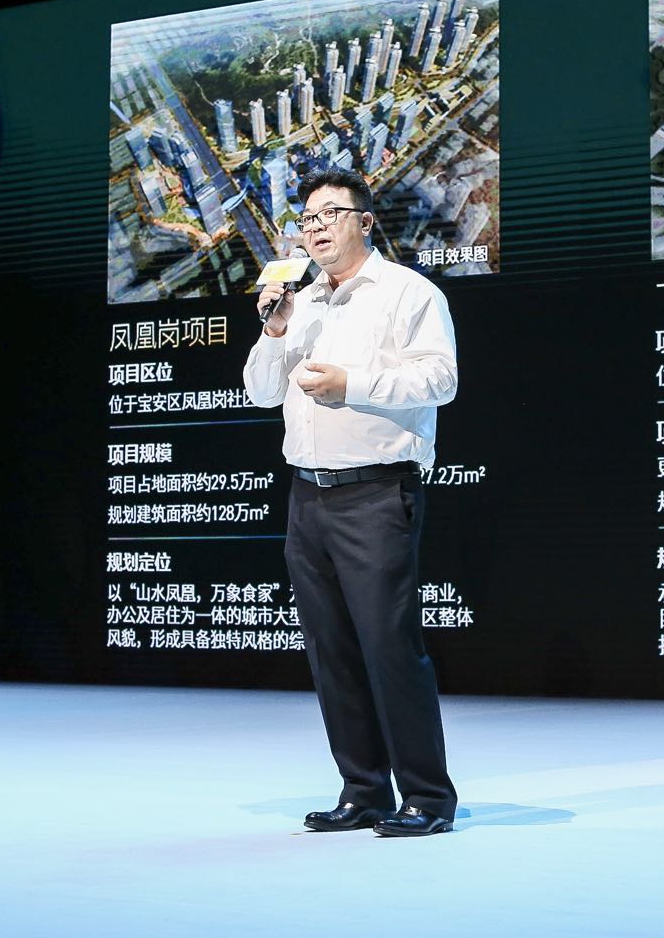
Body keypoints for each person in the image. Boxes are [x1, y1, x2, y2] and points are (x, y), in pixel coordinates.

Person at [243, 168, 458, 837]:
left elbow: (441, 378)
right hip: (307, 495)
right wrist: (274, 332)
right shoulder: (301, 302)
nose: (316, 228)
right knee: (330, 651)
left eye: (330, 214)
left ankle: (427, 797)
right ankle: (362, 790)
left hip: (376, 492)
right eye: (307, 218)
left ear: (365, 221)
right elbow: (259, 392)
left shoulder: (408, 292)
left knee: (389, 647)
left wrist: (352, 383)